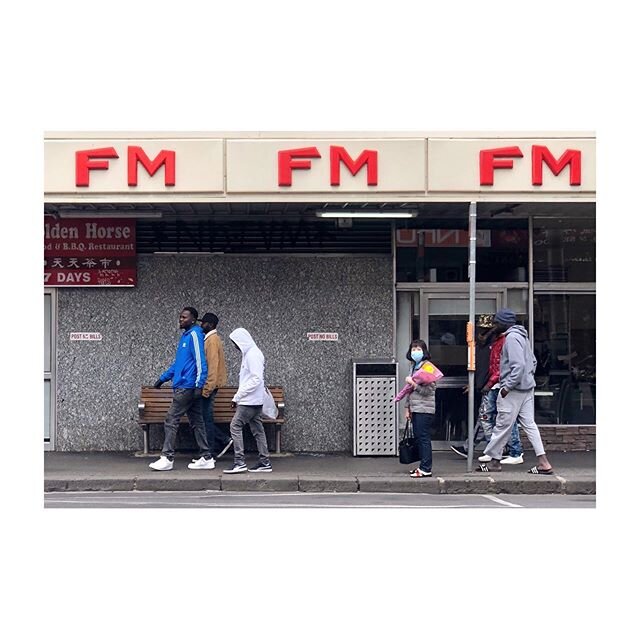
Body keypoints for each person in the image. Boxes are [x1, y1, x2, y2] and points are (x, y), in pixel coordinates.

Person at [476, 309, 554, 475]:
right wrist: (527, 378)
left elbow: (517, 366)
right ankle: (543, 462)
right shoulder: (522, 336)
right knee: (529, 425)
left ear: (504, 323)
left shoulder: (510, 338)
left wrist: (507, 387)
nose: (495, 325)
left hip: (513, 390)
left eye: (497, 322)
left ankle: (494, 462)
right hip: (526, 388)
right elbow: (532, 361)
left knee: (502, 424)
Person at [149, 307, 214, 471]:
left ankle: (167, 457)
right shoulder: (185, 337)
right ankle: (206, 457)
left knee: (171, 420)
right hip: (187, 386)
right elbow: (179, 364)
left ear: (193, 320)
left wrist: (199, 385)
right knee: (197, 422)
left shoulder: (194, 335)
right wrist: (162, 379)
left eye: (184, 317)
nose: (181, 319)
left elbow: (201, 362)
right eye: (180, 317)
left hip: (187, 387)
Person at [223, 328, 272, 474]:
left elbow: (255, 379)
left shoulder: (252, 355)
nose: (235, 346)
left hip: (249, 401)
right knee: (258, 430)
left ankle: (239, 462)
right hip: (255, 400)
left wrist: (237, 397)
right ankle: (265, 462)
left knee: (235, 426)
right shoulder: (252, 353)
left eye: (235, 343)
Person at [199, 312, 233, 459]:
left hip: (210, 386)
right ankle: (212, 449)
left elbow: (212, 366)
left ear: (210, 325)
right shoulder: (212, 339)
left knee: (205, 419)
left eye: (204, 323)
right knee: (205, 418)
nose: (201, 325)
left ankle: (218, 445)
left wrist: (207, 388)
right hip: (212, 385)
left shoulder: (212, 340)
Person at [403, 339, 437, 478]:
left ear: (424, 352)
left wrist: (414, 384)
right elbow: (408, 390)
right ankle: (422, 465)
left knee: (423, 438)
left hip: (424, 408)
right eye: (413, 349)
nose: (415, 352)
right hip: (416, 407)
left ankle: (426, 468)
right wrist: (407, 408)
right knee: (419, 437)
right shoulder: (414, 366)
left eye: (418, 349)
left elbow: (429, 390)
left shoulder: (427, 367)